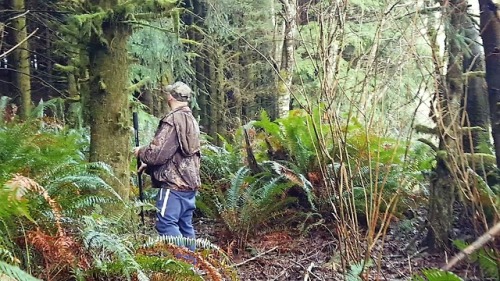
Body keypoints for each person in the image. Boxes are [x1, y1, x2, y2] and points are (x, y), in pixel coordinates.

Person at [134, 81, 201, 251]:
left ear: (170, 97)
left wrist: (141, 152)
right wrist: (148, 168)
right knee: (185, 226)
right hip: (189, 184)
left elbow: (157, 154)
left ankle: (183, 267)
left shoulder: (172, 120)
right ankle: (194, 266)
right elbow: (177, 155)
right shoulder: (191, 120)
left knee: (166, 225)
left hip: (173, 186)